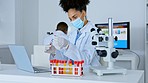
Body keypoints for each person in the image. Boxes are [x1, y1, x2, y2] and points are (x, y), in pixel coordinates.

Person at [52, 0, 101, 67]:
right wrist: (55, 51)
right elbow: (67, 58)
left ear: (83, 13)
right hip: (74, 73)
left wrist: (68, 46)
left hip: (88, 74)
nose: (72, 21)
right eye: (70, 19)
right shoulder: (73, 34)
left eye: (75, 17)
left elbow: (86, 60)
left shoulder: (94, 33)